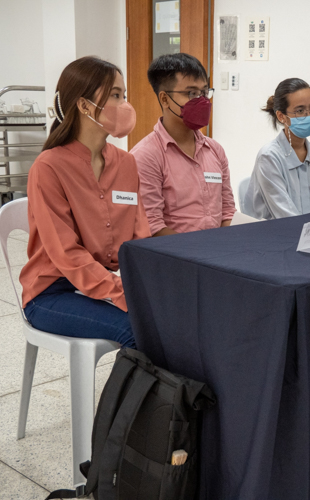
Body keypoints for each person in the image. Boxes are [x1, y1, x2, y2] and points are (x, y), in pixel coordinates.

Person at [19, 56, 150, 349]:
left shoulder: (126, 164)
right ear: (84, 106)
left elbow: (141, 236)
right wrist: (120, 292)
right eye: (116, 95)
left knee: (179, 321)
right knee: (140, 332)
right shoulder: (49, 167)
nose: (125, 105)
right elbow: (65, 253)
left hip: (109, 282)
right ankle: (134, 397)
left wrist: (150, 285)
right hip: (53, 293)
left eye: (123, 95)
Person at [131, 53, 236, 236]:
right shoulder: (145, 156)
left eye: (204, 92)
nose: (202, 100)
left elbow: (227, 211)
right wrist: (200, 253)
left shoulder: (215, 150)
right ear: (164, 99)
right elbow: (153, 226)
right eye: (192, 93)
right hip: (175, 257)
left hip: (218, 253)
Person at [242, 78, 310, 219]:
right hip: (276, 236)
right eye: (300, 111)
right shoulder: (269, 157)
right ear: (282, 116)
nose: (309, 115)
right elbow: (286, 217)